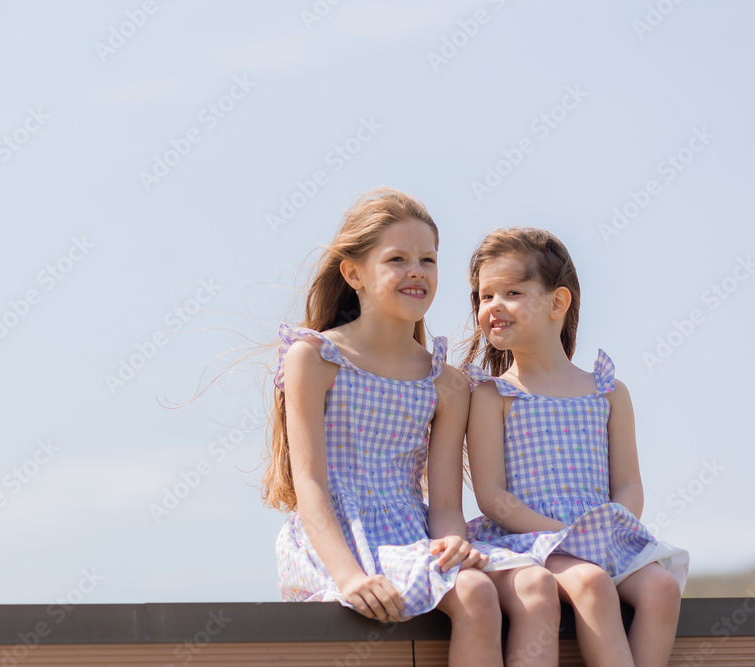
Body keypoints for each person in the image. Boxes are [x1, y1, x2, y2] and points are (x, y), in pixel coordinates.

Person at [263, 188, 555, 666]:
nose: (417, 270)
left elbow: (445, 505)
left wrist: (455, 539)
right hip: (339, 542)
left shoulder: (447, 382)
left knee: (510, 587)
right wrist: (350, 577)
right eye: (397, 259)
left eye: (428, 260)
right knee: (477, 593)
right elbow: (310, 487)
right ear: (354, 274)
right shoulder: (314, 358)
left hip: (413, 535)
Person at [464, 227, 689, 666]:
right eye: (485, 296)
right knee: (591, 583)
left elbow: (628, 484)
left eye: (511, 292)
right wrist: (560, 534)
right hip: (531, 540)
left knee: (662, 587)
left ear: (557, 303)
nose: (493, 306)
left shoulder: (608, 392)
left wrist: (611, 527)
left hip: (604, 537)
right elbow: (491, 495)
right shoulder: (493, 396)